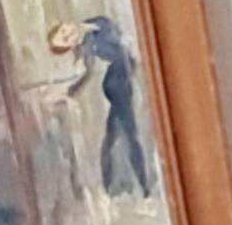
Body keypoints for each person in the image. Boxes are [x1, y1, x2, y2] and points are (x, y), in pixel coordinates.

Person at [47, 15, 154, 198]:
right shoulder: (88, 47)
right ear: (70, 47)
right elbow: (86, 76)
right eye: (66, 40)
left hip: (121, 85)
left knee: (115, 136)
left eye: (64, 31)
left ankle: (115, 187)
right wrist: (65, 93)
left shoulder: (94, 25)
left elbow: (117, 34)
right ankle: (140, 188)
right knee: (127, 135)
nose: (69, 33)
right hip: (118, 88)